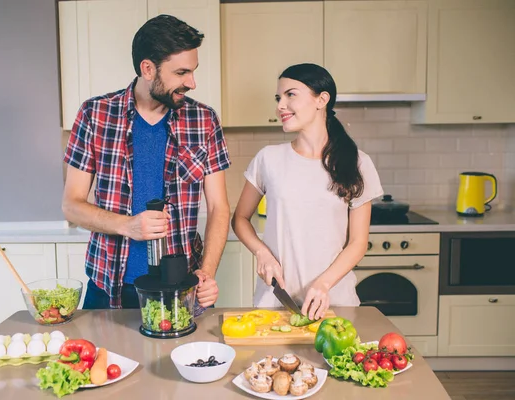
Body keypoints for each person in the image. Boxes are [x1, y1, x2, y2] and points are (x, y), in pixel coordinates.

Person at [62, 15, 231, 313]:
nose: (192, 82)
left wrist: (207, 272)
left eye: (193, 71)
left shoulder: (204, 120)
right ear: (148, 68)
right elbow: (71, 205)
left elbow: (219, 207)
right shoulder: (95, 115)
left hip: (181, 287)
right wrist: (128, 225)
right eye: (181, 72)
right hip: (108, 285)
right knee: (106, 361)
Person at [231, 63, 383, 320]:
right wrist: (262, 253)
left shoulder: (358, 162)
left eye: (291, 95)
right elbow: (240, 219)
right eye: (279, 98)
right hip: (275, 302)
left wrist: (323, 284)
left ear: (321, 99)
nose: (280, 105)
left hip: (335, 301)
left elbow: (358, 243)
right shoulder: (268, 159)